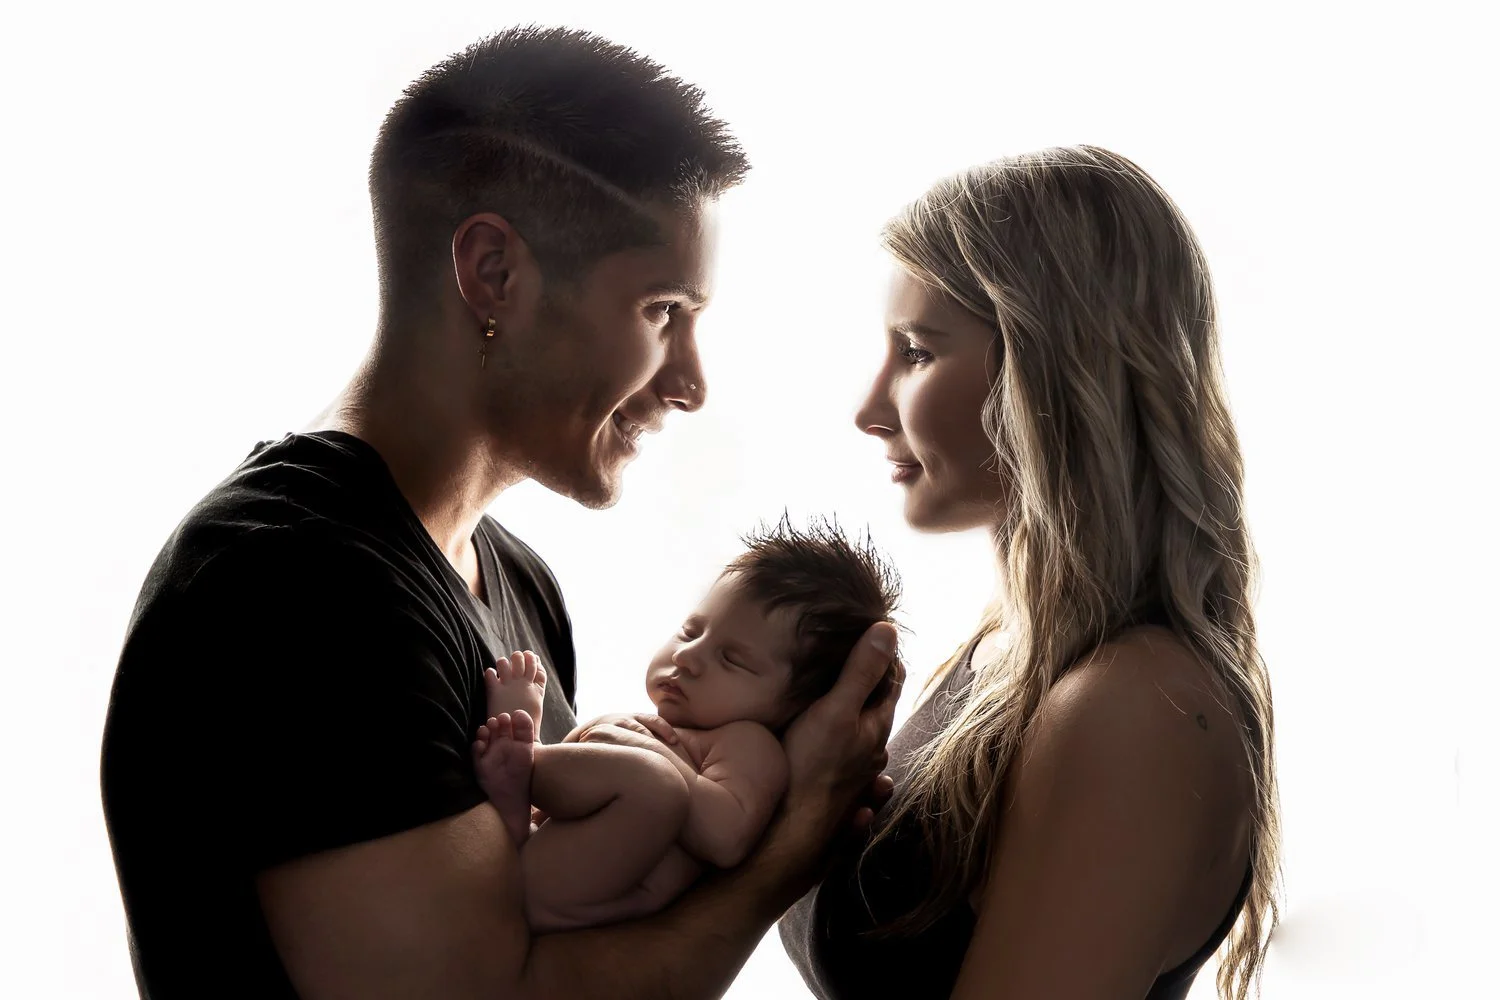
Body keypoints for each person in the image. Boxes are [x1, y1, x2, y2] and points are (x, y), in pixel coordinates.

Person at [100, 26, 901, 1000]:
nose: (690, 382)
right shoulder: (296, 581)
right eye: (662, 312)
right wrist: (792, 843)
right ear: (493, 273)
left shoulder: (515, 579)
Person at [780, 146, 1282, 1000]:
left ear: (1052, 366)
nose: (870, 411)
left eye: (915, 352)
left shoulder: (1133, 704)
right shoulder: (1004, 655)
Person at [471, 518, 901, 932]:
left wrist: (656, 756)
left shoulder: (749, 746)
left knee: (651, 781)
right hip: (546, 863)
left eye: (732, 659)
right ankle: (518, 790)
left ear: (803, 706)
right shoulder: (657, 725)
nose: (687, 657)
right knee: (615, 742)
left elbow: (725, 836)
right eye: (689, 631)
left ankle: (524, 764)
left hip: (596, 904)